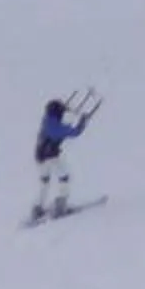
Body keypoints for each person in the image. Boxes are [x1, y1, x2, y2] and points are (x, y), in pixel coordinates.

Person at [31, 93, 95, 221]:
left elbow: (61, 121)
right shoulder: (57, 128)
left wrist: (68, 112)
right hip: (51, 156)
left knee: (44, 181)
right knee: (64, 177)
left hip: (39, 155)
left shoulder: (47, 120)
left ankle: (38, 208)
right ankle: (61, 206)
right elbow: (75, 132)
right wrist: (83, 121)